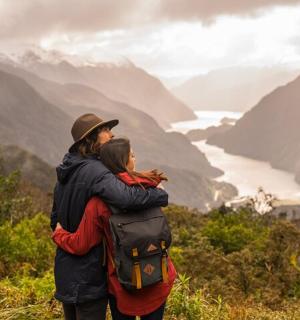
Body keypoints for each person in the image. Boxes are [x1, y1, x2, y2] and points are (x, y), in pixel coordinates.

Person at [51, 114, 168, 320]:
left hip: (65, 269)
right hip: (89, 275)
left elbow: (55, 220)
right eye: (105, 130)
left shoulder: (66, 171)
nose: (111, 134)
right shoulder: (96, 171)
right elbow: (126, 198)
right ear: (91, 138)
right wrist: (159, 194)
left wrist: (60, 234)